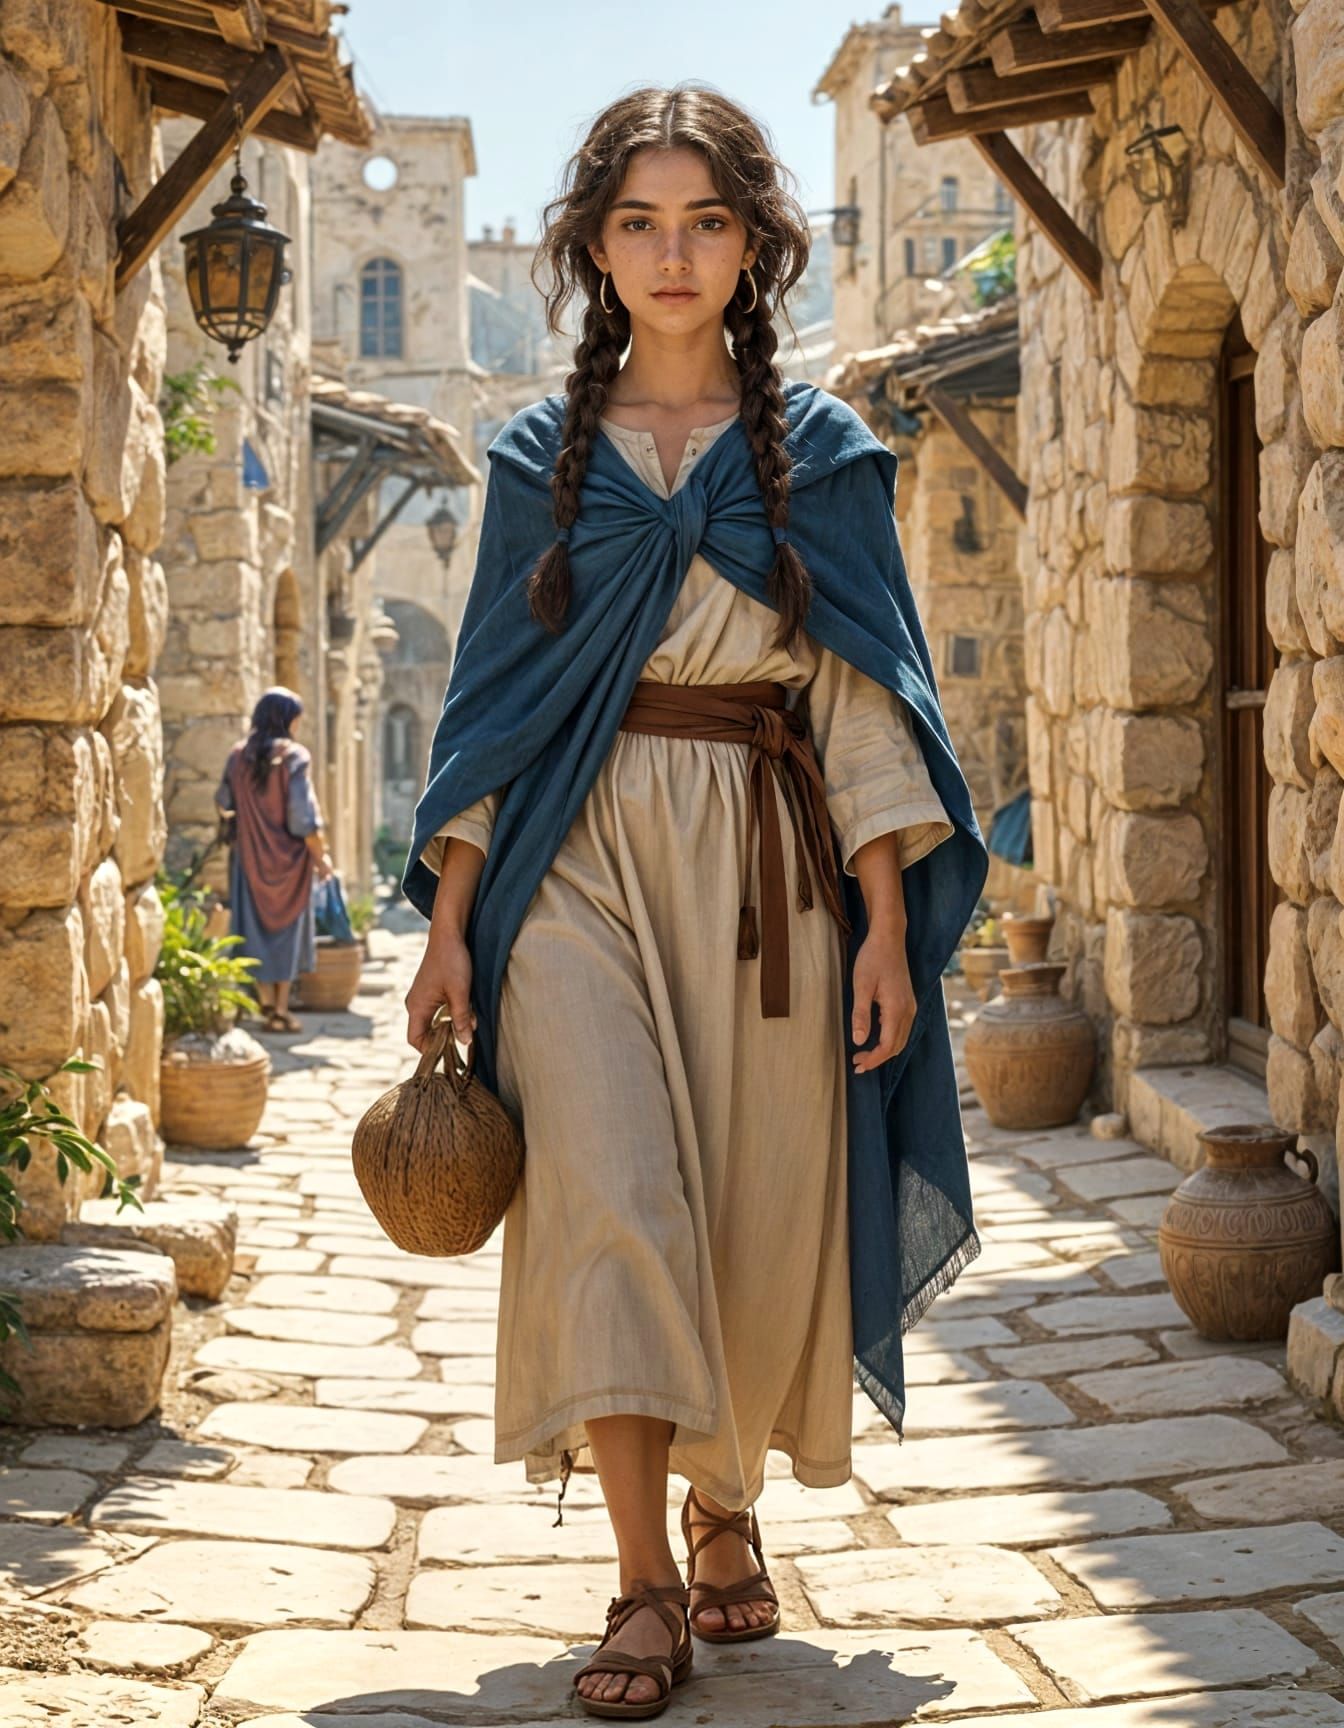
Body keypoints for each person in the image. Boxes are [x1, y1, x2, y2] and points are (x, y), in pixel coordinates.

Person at [402, 85, 989, 1721]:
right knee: (609, 1190)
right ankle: (641, 1577)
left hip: (767, 871)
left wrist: (883, 919)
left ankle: (724, 1504)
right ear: (594, 246)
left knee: (742, 1207)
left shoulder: (824, 459)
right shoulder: (542, 459)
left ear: (753, 244)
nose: (673, 255)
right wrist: (452, 921)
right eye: (640, 223)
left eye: (706, 221)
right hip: (574, 867)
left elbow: (862, 696)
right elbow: (489, 705)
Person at [215, 688, 333, 1036]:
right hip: (290, 862)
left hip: (248, 858)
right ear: (285, 718)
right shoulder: (294, 756)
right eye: (296, 715)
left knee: (252, 928)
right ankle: (280, 1010)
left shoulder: (237, 756)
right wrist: (320, 856)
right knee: (287, 932)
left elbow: (224, 800)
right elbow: (302, 816)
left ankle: (266, 1001)